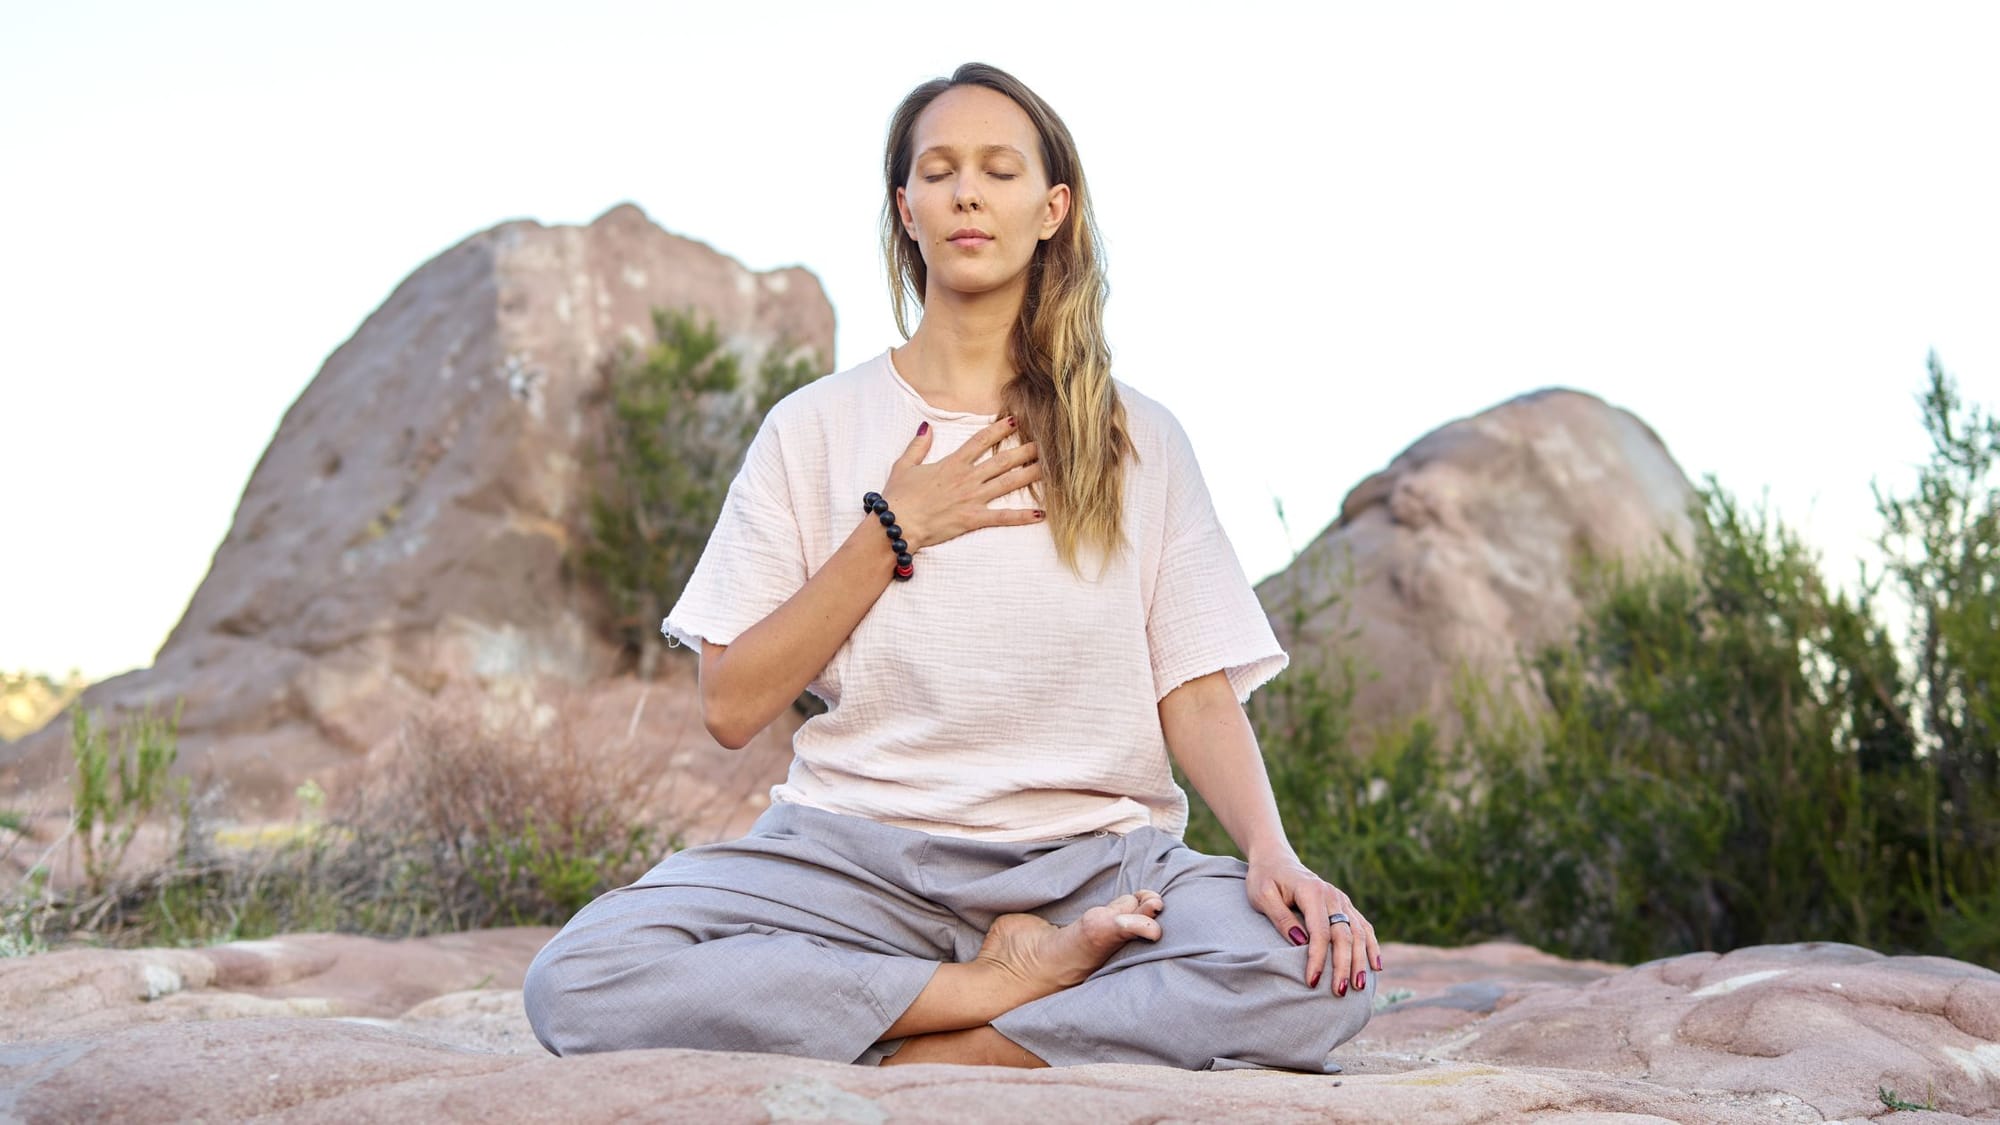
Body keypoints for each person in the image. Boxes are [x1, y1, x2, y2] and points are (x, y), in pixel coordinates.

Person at [524, 62, 1380, 1071]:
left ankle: (954, 1051)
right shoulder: (813, 428)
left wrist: (1273, 857)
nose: (966, 192)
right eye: (938, 171)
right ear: (906, 208)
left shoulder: (1136, 438)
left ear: (1051, 208)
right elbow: (730, 702)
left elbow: (1190, 690)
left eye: (998, 170)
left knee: (1317, 978)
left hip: (1093, 866)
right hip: (849, 859)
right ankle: (992, 990)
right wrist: (893, 531)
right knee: (581, 978)